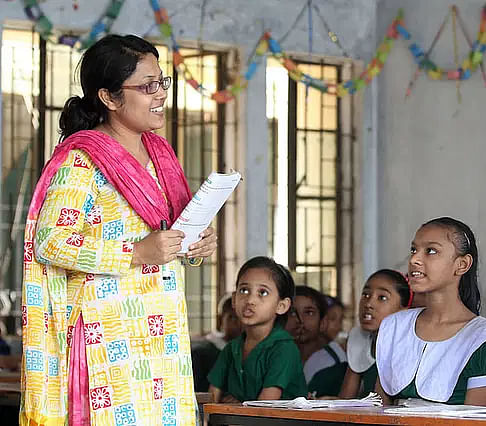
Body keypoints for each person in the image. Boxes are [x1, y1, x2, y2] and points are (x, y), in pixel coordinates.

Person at [20, 35, 216, 425]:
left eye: (162, 82)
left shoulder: (161, 156)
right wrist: (136, 252)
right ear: (109, 98)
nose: (159, 94)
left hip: (163, 335)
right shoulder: (82, 161)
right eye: (147, 86)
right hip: (107, 339)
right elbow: (50, 240)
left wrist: (194, 244)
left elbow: (165, 236)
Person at [375, 217, 486, 406]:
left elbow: (473, 419)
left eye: (431, 251)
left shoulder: (482, 337)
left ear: (462, 264)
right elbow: (378, 409)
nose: (414, 260)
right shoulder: (393, 326)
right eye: (413, 250)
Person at [207, 257, 307, 402]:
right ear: (234, 299)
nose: (250, 300)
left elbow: (264, 407)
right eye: (244, 290)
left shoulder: (284, 349)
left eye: (263, 293)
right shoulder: (232, 349)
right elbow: (212, 396)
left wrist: (237, 408)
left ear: (282, 306)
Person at [339, 269, 411, 398]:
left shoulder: (409, 344)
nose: (369, 304)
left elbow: (384, 406)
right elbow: (345, 399)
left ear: (404, 309)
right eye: (365, 295)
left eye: (382, 298)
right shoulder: (359, 337)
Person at [288, 286, 347, 397]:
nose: (300, 320)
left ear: (323, 322)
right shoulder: (274, 355)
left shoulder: (337, 361)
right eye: (292, 312)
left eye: (309, 313)